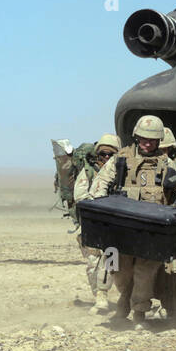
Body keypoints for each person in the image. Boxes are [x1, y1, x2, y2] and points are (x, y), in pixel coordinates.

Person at [83, 115, 176, 328]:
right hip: (123, 228)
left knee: (145, 272)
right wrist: (100, 218)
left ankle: (140, 312)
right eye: (144, 139)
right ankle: (124, 299)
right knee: (120, 271)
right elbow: (98, 188)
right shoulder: (120, 160)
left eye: (153, 140)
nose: (148, 143)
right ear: (137, 137)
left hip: (152, 229)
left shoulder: (167, 164)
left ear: (159, 141)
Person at [73, 134, 120, 313]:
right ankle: (99, 297)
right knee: (93, 263)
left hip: (113, 225)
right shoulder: (88, 172)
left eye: (110, 155)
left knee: (111, 261)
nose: (106, 158)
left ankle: (104, 294)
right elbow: (80, 197)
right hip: (91, 225)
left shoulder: (121, 172)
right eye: (103, 155)